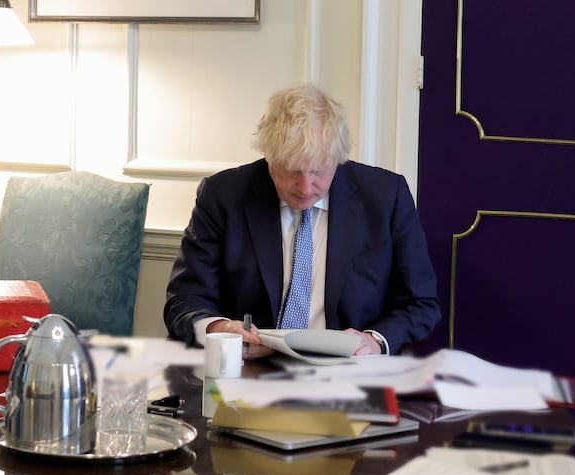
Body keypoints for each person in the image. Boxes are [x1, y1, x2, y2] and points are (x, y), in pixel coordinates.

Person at [164, 84, 440, 357]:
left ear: (338, 157)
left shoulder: (385, 197)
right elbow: (185, 299)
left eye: (318, 171)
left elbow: (420, 303)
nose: (306, 188)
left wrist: (374, 341)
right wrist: (220, 329)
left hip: (349, 372)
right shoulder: (223, 196)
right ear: (269, 157)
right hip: (249, 368)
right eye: (292, 171)